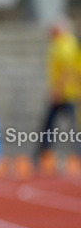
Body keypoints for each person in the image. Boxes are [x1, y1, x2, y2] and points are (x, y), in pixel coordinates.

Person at [36, 19, 79, 166]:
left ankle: (43, 155)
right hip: (67, 92)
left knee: (66, 126)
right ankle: (43, 154)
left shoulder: (65, 45)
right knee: (53, 125)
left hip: (66, 93)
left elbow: (67, 70)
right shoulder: (63, 43)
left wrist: (57, 90)